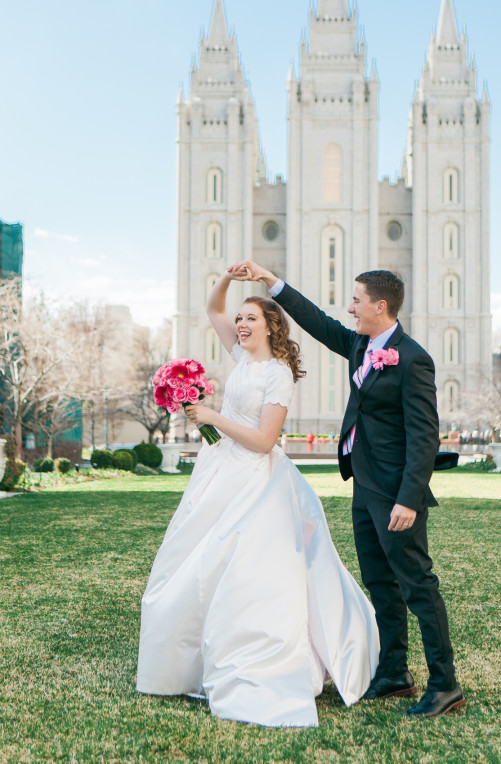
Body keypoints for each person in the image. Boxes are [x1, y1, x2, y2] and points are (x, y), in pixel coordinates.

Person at [136, 269, 379, 728]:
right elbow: (212, 308)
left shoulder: (277, 374)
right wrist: (226, 279)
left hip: (255, 480)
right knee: (193, 561)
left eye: (251, 318)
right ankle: (187, 660)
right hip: (218, 471)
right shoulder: (240, 356)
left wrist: (213, 416)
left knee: (241, 569)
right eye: (240, 319)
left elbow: (266, 441)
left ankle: (254, 659)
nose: (241, 324)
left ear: (271, 325)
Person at [230, 261, 465, 719]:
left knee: (418, 585)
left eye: (356, 300)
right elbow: (318, 322)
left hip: (396, 494)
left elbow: (424, 436)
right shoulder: (360, 344)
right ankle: (394, 672)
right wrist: (270, 280)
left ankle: (445, 683)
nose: (350, 308)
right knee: (381, 583)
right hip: (364, 485)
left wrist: (408, 499)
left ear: (380, 306)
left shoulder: (413, 358)